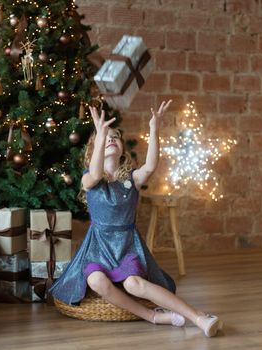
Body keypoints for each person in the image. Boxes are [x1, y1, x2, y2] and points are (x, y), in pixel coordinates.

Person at [50, 101, 222, 337]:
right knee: (97, 282)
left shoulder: (132, 178)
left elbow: (151, 165)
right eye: (106, 138)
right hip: (98, 248)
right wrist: (100, 134)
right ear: (94, 151)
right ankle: (151, 315)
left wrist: (154, 128)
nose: (111, 139)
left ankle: (199, 317)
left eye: (115, 137)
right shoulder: (90, 179)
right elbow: (97, 172)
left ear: (122, 150)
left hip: (126, 245)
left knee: (134, 284)